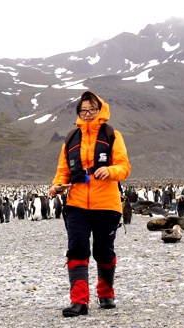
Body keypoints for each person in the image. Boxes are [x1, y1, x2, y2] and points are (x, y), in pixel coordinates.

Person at [48, 91, 131, 318]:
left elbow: (124, 167)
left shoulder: (112, 135)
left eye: (91, 109)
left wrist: (110, 170)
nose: (87, 114)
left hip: (106, 203)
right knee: (77, 249)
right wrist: (56, 186)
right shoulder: (71, 138)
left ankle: (105, 293)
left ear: (100, 110)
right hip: (76, 203)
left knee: (103, 251)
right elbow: (63, 171)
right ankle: (79, 301)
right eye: (83, 110)